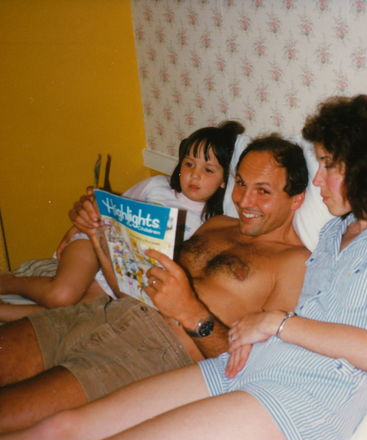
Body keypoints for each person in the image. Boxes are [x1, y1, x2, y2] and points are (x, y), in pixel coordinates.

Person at [1, 95, 367, 440]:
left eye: (329, 166)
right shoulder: (335, 233)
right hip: (241, 366)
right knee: (60, 430)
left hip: (300, 398)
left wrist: (274, 323)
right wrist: (254, 331)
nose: (319, 181)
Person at [0, 135, 310, 432]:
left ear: (296, 200)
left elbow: (254, 369)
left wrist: (192, 313)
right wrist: (98, 236)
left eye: (263, 191)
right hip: (100, 313)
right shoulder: (217, 225)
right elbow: (128, 289)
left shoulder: (294, 263)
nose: (243, 200)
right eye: (241, 183)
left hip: (147, 352)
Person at [0, 121, 244, 322]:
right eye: (189, 164)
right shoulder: (156, 186)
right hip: (94, 241)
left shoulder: (212, 223)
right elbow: (108, 208)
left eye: (208, 170)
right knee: (61, 296)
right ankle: (9, 282)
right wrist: (75, 229)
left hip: (124, 270)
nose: (195, 174)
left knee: (75, 314)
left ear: (225, 181)